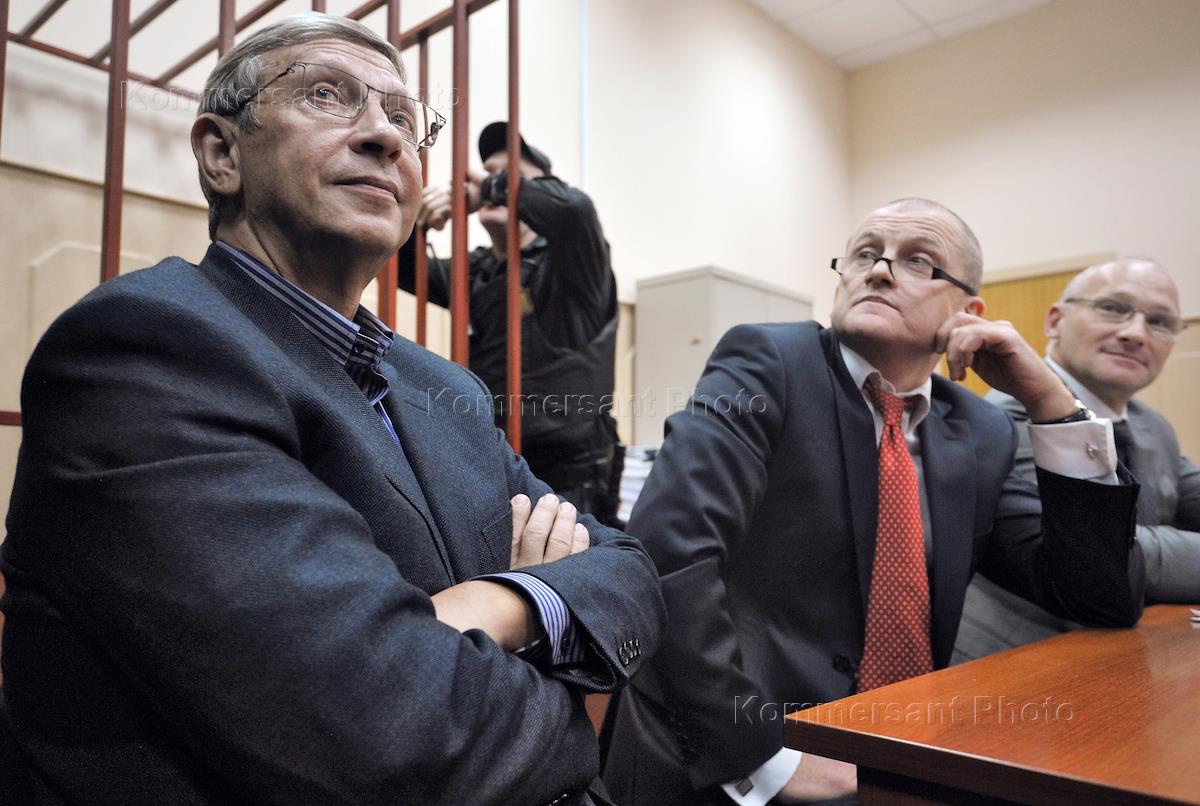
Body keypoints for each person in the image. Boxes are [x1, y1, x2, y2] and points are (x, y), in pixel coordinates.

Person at [0, 14, 664, 806]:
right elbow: (392, 736)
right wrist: (566, 684)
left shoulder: (451, 386)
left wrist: (500, 601)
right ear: (221, 153)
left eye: (404, 119)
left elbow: (632, 573)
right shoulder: (143, 349)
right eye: (326, 94)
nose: (386, 137)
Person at [602, 198, 1145, 806]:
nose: (880, 270)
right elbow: (667, 556)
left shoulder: (980, 429)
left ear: (968, 313)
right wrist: (763, 756)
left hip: (898, 757)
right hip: (726, 760)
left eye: (918, 261)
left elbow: (1096, 594)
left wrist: (1051, 404)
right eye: (865, 254)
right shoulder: (767, 362)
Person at [955, 258, 1199, 661]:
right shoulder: (1002, 418)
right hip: (1020, 665)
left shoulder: (1150, 424)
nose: (1135, 333)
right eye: (1113, 308)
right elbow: (1112, 555)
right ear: (1055, 321)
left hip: (1129, 655)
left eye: (1159, 322)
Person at [398, 122, 623, 525]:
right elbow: (401, 269)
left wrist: (490, 187)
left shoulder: (573, 263)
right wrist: (418, 219)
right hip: (493, 460)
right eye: (487, 172)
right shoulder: (475, 270)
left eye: (510, 176)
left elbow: (573, 210)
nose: (488, 181)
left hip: (569, 478)